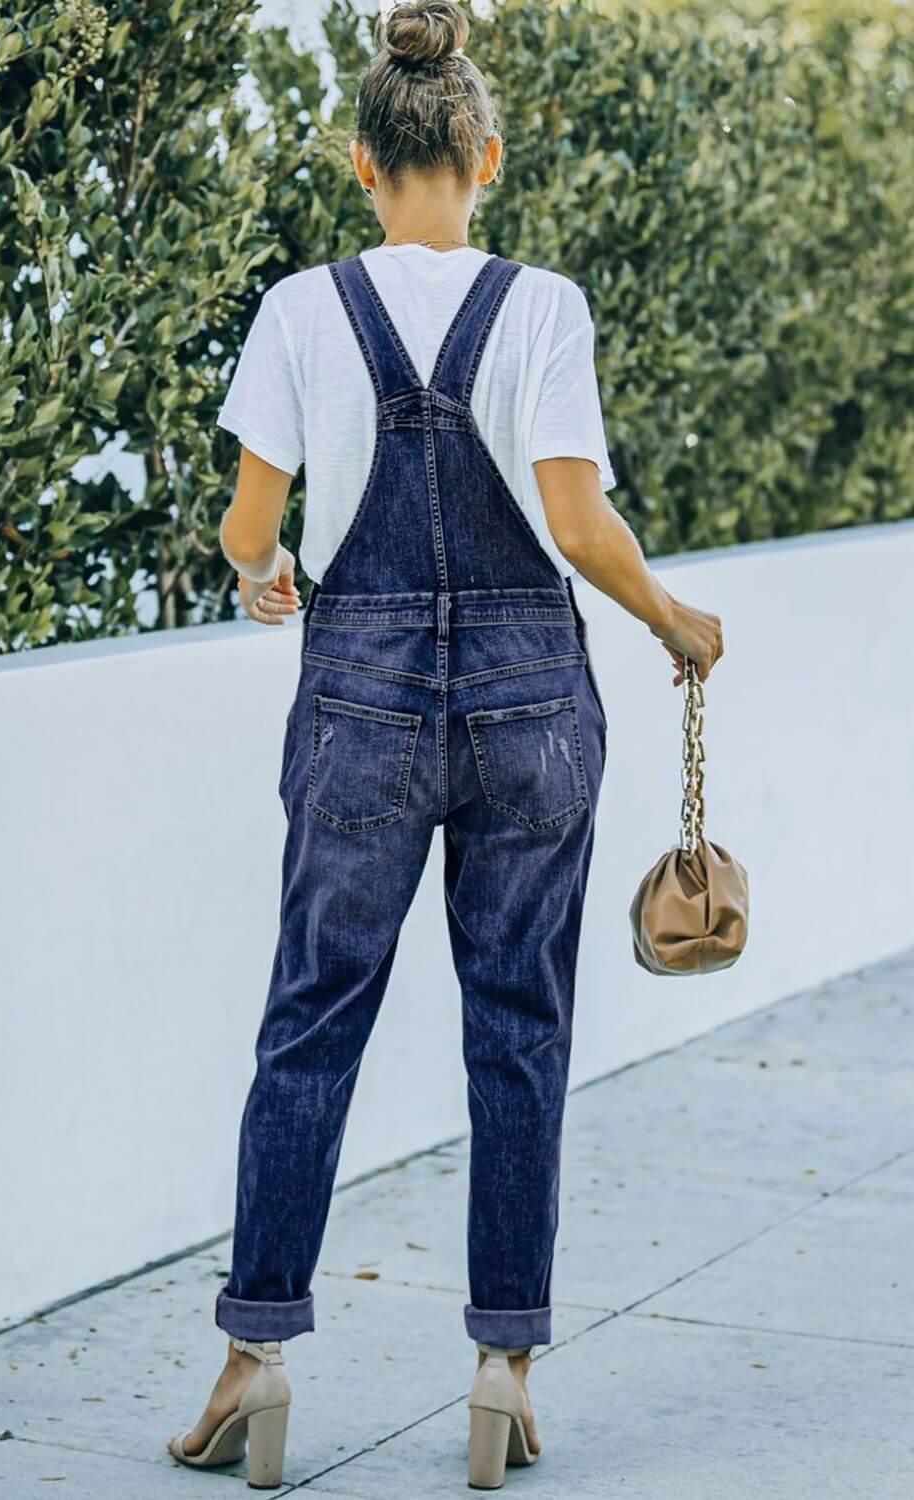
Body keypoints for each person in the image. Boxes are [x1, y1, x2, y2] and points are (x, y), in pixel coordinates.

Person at [167, 0, 723, 1488]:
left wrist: (253, 577)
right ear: (486, 155)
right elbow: (576, 519)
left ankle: (255, 1360)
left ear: (364, 161)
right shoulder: (541, 306)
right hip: (534, 704)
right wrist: (672, 621)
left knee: (310, 1024)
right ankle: (502, 1379)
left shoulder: (300, 309)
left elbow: (249, 524)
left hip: (354, 703)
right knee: (519, 1032)